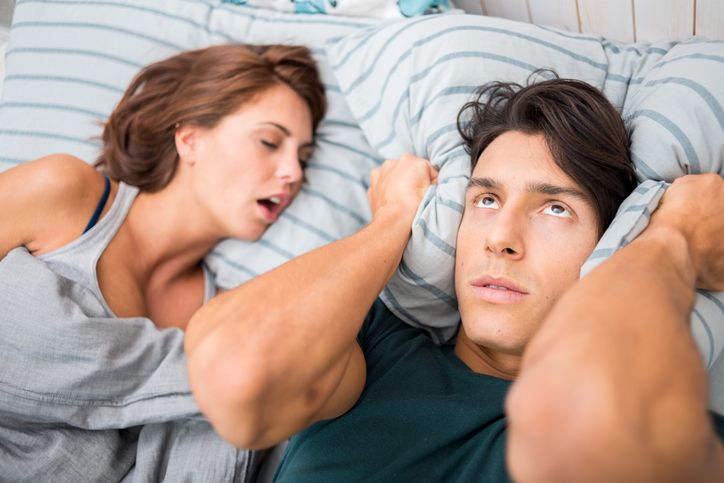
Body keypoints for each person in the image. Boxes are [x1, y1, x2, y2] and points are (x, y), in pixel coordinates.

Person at [185, 76, 724, 482]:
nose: (500, 238)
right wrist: (394, 217)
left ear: (608, 243)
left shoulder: (668, 426)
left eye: (555, 209)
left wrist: (670, 240)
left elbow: (602, 437)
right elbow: (240, 376)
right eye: (485, 200)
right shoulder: (375, 350)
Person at [0, 44, 325, 482]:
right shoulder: (65, 193)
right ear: (190, 140)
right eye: (269, 142)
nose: (294, 173)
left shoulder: (221, 316)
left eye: (303, 158)